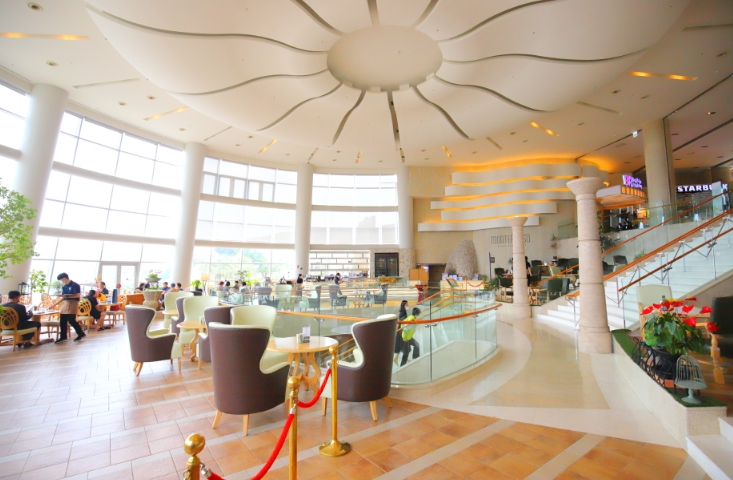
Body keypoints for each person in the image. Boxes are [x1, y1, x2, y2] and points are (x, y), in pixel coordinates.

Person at [50, 273, 85, 343]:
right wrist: (54, 304)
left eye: (61, 280)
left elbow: (78, 295)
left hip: (73, 303)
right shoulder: (64, 287)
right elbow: (63, 297)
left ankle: (80, 333)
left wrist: (66, 296)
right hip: (66, 303)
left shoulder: (75, 285)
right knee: (62, 321)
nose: (61, 281)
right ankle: (63, 336)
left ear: (64, 278)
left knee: (71, 320)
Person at [394, 300, 408, 365]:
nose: (408, 306)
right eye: (407, 305)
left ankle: (400, 357)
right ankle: (397, 358)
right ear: (404, 305)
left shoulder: (402, 312)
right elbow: (400, 322)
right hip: (401, 330)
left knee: (402, 344)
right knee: (401, 343)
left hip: (401, 329)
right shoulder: (403, 313)